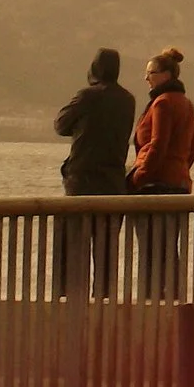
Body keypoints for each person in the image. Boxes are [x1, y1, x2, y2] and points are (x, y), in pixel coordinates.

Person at [52, 47, 135, 299]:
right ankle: (104, 298)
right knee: (106, 248)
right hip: (113, 183)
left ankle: (70, 296)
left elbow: (61, 125)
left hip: (82, 181)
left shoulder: (87, 96)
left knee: (73, 243)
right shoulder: (127, 100)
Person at [128, 46, 194, 298]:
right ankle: (173, 297)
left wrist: (139, 176)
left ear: (166, 75)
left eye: (151, 73)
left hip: (154, 185)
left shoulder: (162, 103)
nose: (146, 78)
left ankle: (151, 299)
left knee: (150, 247)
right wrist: (179, 170)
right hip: (178, 184)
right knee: (169, 247)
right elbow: (192, 149)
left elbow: (158, 145)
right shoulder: (187, 105)